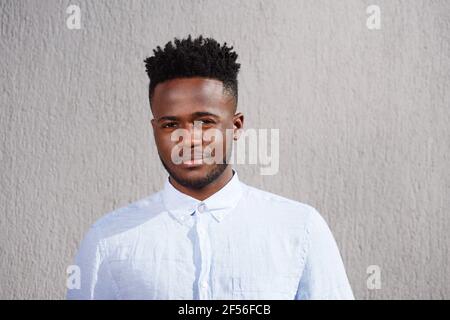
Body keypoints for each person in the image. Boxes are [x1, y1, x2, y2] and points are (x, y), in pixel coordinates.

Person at [66, 35, 354, 300]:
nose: (188, 139)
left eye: (205, 122)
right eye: (170, 124)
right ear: (155, 130)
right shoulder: (107, 240)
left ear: (236, 126)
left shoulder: (299, 228)